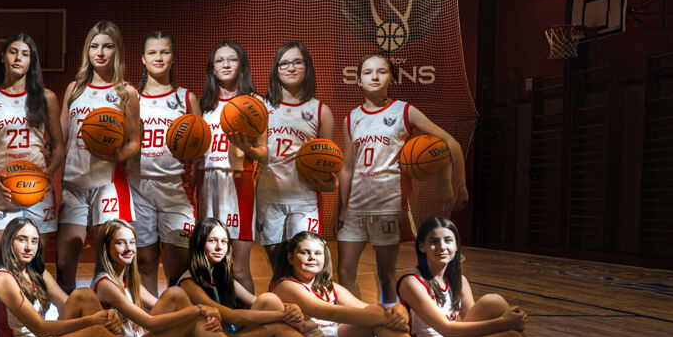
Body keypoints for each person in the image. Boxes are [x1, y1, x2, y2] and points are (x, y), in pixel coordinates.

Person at [399, 217, 653, 337]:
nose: (441, 246)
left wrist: (502, 320)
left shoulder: (459, 280)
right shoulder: (412, 282)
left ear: (456, 246)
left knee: (494, 301)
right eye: (433, 241)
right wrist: (504, 325)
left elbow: (469, 324)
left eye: (448, 240)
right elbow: (447, 329)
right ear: (421, 246)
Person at [0, 216, 228, 337]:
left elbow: (68, 303)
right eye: (21, 239)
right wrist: (93, 322)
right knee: (95, 330)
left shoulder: (36, 271)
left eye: (33, 240)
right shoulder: (2, 278)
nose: (29, 246)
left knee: (82, 294)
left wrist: (103, 316)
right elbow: (40, 328)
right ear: (9, 241)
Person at [92, 219, 305, 337]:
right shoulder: (107, 285)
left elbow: (163, 308)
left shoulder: (129, 280)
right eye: (121, 243)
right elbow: (150, 322)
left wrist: (287, 309)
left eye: (132, 242)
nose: (129, 249)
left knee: (179, 299)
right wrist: (198, 310)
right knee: (183, 301)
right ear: (105, 248)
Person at [178, 218, 386, 337]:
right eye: (212, 241)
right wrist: (283, 314)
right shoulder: (189, 282)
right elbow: (232, 317)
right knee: (278, 324)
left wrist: (288, 308)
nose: (219, 247)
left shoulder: (223, 278)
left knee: (270, 301)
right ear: (198, 244)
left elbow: (257, 302)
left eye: (224, 241)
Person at [271, 230, 481, 337]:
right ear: (290, 257)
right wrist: (379, 314)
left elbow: (365, 308)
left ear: (325, 258)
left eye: (317, 253)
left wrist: (395, 310)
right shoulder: (285, 285)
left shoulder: (330, 288)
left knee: (381, 318)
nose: (312, 258)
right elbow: (330, 312)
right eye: (304, 253)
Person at [337, 52, 469, 303]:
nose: (374, 77)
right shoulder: (351, 118)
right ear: (358, 81)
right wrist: (341, 210)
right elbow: (347, 168)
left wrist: (454, 183)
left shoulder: (403, 111)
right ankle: (357, 324)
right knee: (344, 272)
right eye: (367, 72)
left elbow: (450, 144)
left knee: (385, 275)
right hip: (355, 207)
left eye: (381, 71)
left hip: (388, 204)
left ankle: (387, 326)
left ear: (391, 79)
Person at [57, 20, 140, 291]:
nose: (100, 53)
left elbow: (134, 143)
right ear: (87, 51)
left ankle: (110, 317)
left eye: (108, 46)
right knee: (64, 260)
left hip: (109, 182)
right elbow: (61, 137)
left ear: (117, 52)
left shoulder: (125, 93)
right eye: (94, 46)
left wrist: (115, 156)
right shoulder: (75, 89)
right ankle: (70, 318)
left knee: (109, 262)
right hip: (74, 183)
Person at [0, 33, 65, 256]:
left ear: (32, 61)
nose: (18, 58)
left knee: (36, 263)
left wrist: (49, 173)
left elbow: (59, 146)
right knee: (3, 263)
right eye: (13, 52)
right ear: (2, 57)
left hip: (39, 190)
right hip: (4, 191)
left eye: (25, 54)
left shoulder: (45, 98)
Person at [244, 41, 337, 267]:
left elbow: (330, 165)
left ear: (307, 67)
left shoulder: (320, 110)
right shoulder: (261, 106)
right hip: (269, 194)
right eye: (283, 63)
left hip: (304, 198)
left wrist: (330, 183)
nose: (290, 68)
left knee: (304, 265)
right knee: (277, 265)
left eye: (297, 62)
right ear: (276, 70)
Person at [129, 31, 199, 296]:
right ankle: (151, 324)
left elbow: (199, 151)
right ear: (143, 60)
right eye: (152, 52)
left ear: (174, 58)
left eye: (165, 52)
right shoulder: (131, 97)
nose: (158, 57)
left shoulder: (185, 98)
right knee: (145, 261)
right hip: (138, 186)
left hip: (175, 189)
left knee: (179, 266)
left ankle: (177, 322)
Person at [196, 41, 259, 294]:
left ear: (241, 65)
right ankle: (216, 319)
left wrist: (249, 150)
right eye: (219, 60)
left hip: (238, 183)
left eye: (231, 59)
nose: (225, 64)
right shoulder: (204, 105)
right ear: (212, 68)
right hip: (206, 184)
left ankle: (247, 325)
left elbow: (265, 151)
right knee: (208, 263)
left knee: (240, 268)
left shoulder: (255, 102)